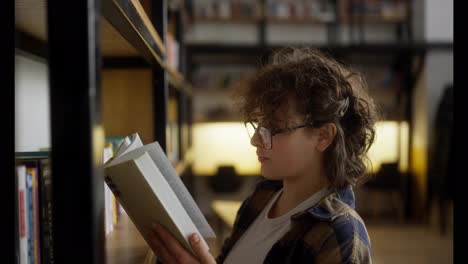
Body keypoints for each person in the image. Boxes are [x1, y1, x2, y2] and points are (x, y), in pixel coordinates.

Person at [147, 47, 379, 263]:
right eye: (258, 126)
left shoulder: (339, 234)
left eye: (274, 129)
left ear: (323, 136)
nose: (255, 140)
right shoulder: (261, 198)